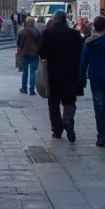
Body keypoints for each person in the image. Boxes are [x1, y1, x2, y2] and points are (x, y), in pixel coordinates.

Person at [39, 11, 85, 141]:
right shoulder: (75, 34)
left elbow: (42, 53)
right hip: (71, 73)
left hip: (53, 73)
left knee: (53, 102)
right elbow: (80, 54)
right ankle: (68, 119)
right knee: (69, 100)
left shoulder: (47, 34)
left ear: (55, 19)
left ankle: (57, 130)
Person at [79, 15, 105, 146]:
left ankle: (101, 134)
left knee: (99, 106)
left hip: (95, 77)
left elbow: (83, 62)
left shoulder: (89, 43)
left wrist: (81, 78)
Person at [17, 16, 42, 94]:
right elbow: (40, 44)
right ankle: (32, 89)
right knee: (33, 72)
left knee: (25, 72)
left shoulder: (22, 32)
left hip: (24, 54)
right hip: (34, 54)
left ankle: (24, 88)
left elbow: (18, 44)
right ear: (33, 23)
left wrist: (18, 54)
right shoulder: (37, 32)